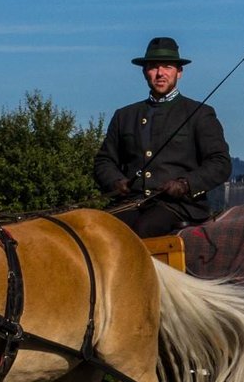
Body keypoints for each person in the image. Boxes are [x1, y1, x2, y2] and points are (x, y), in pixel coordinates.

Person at [94, 36, 231, 238]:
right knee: (95, 229)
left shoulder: (200, 113)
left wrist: (186, 184)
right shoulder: (124, 116)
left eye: (167, 67)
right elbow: (104, 161)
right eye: (153, 67)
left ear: (179, 72)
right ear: (144, 72)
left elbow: (220, 163)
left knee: (144, 230)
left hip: (179, 205)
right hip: (130, 203)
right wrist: (115, 181)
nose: (160, 73)